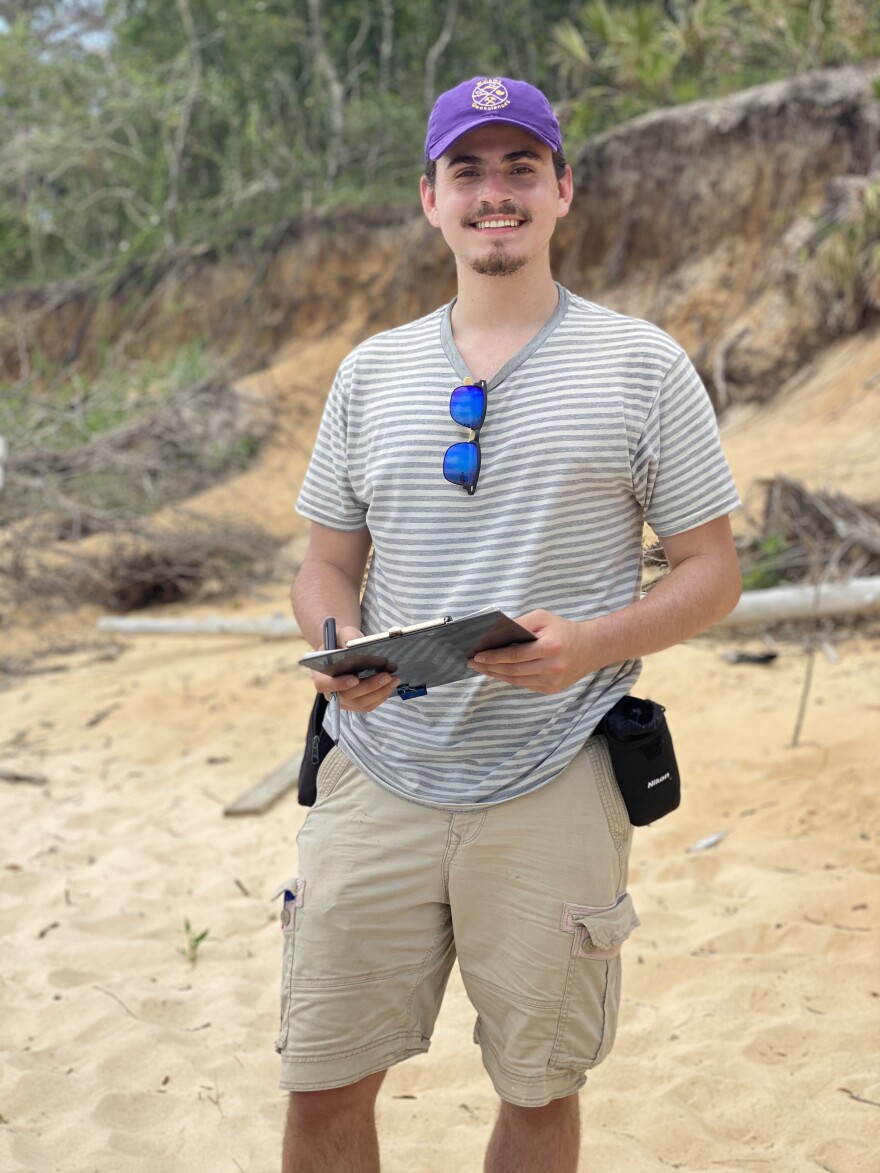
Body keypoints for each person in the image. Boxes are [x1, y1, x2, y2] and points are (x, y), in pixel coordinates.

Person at [279, 75, 742, 1173]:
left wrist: (592, 642)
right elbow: (324, 562)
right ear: (428, 198)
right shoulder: (369, 371)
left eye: (520, 167)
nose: (496, 193)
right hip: (374, 772)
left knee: (538, 1087)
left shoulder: (642, 364)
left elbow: (711, 571)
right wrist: (338, 643)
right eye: (469, 171)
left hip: (556, 775)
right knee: (322, 1078)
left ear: (562, 189)